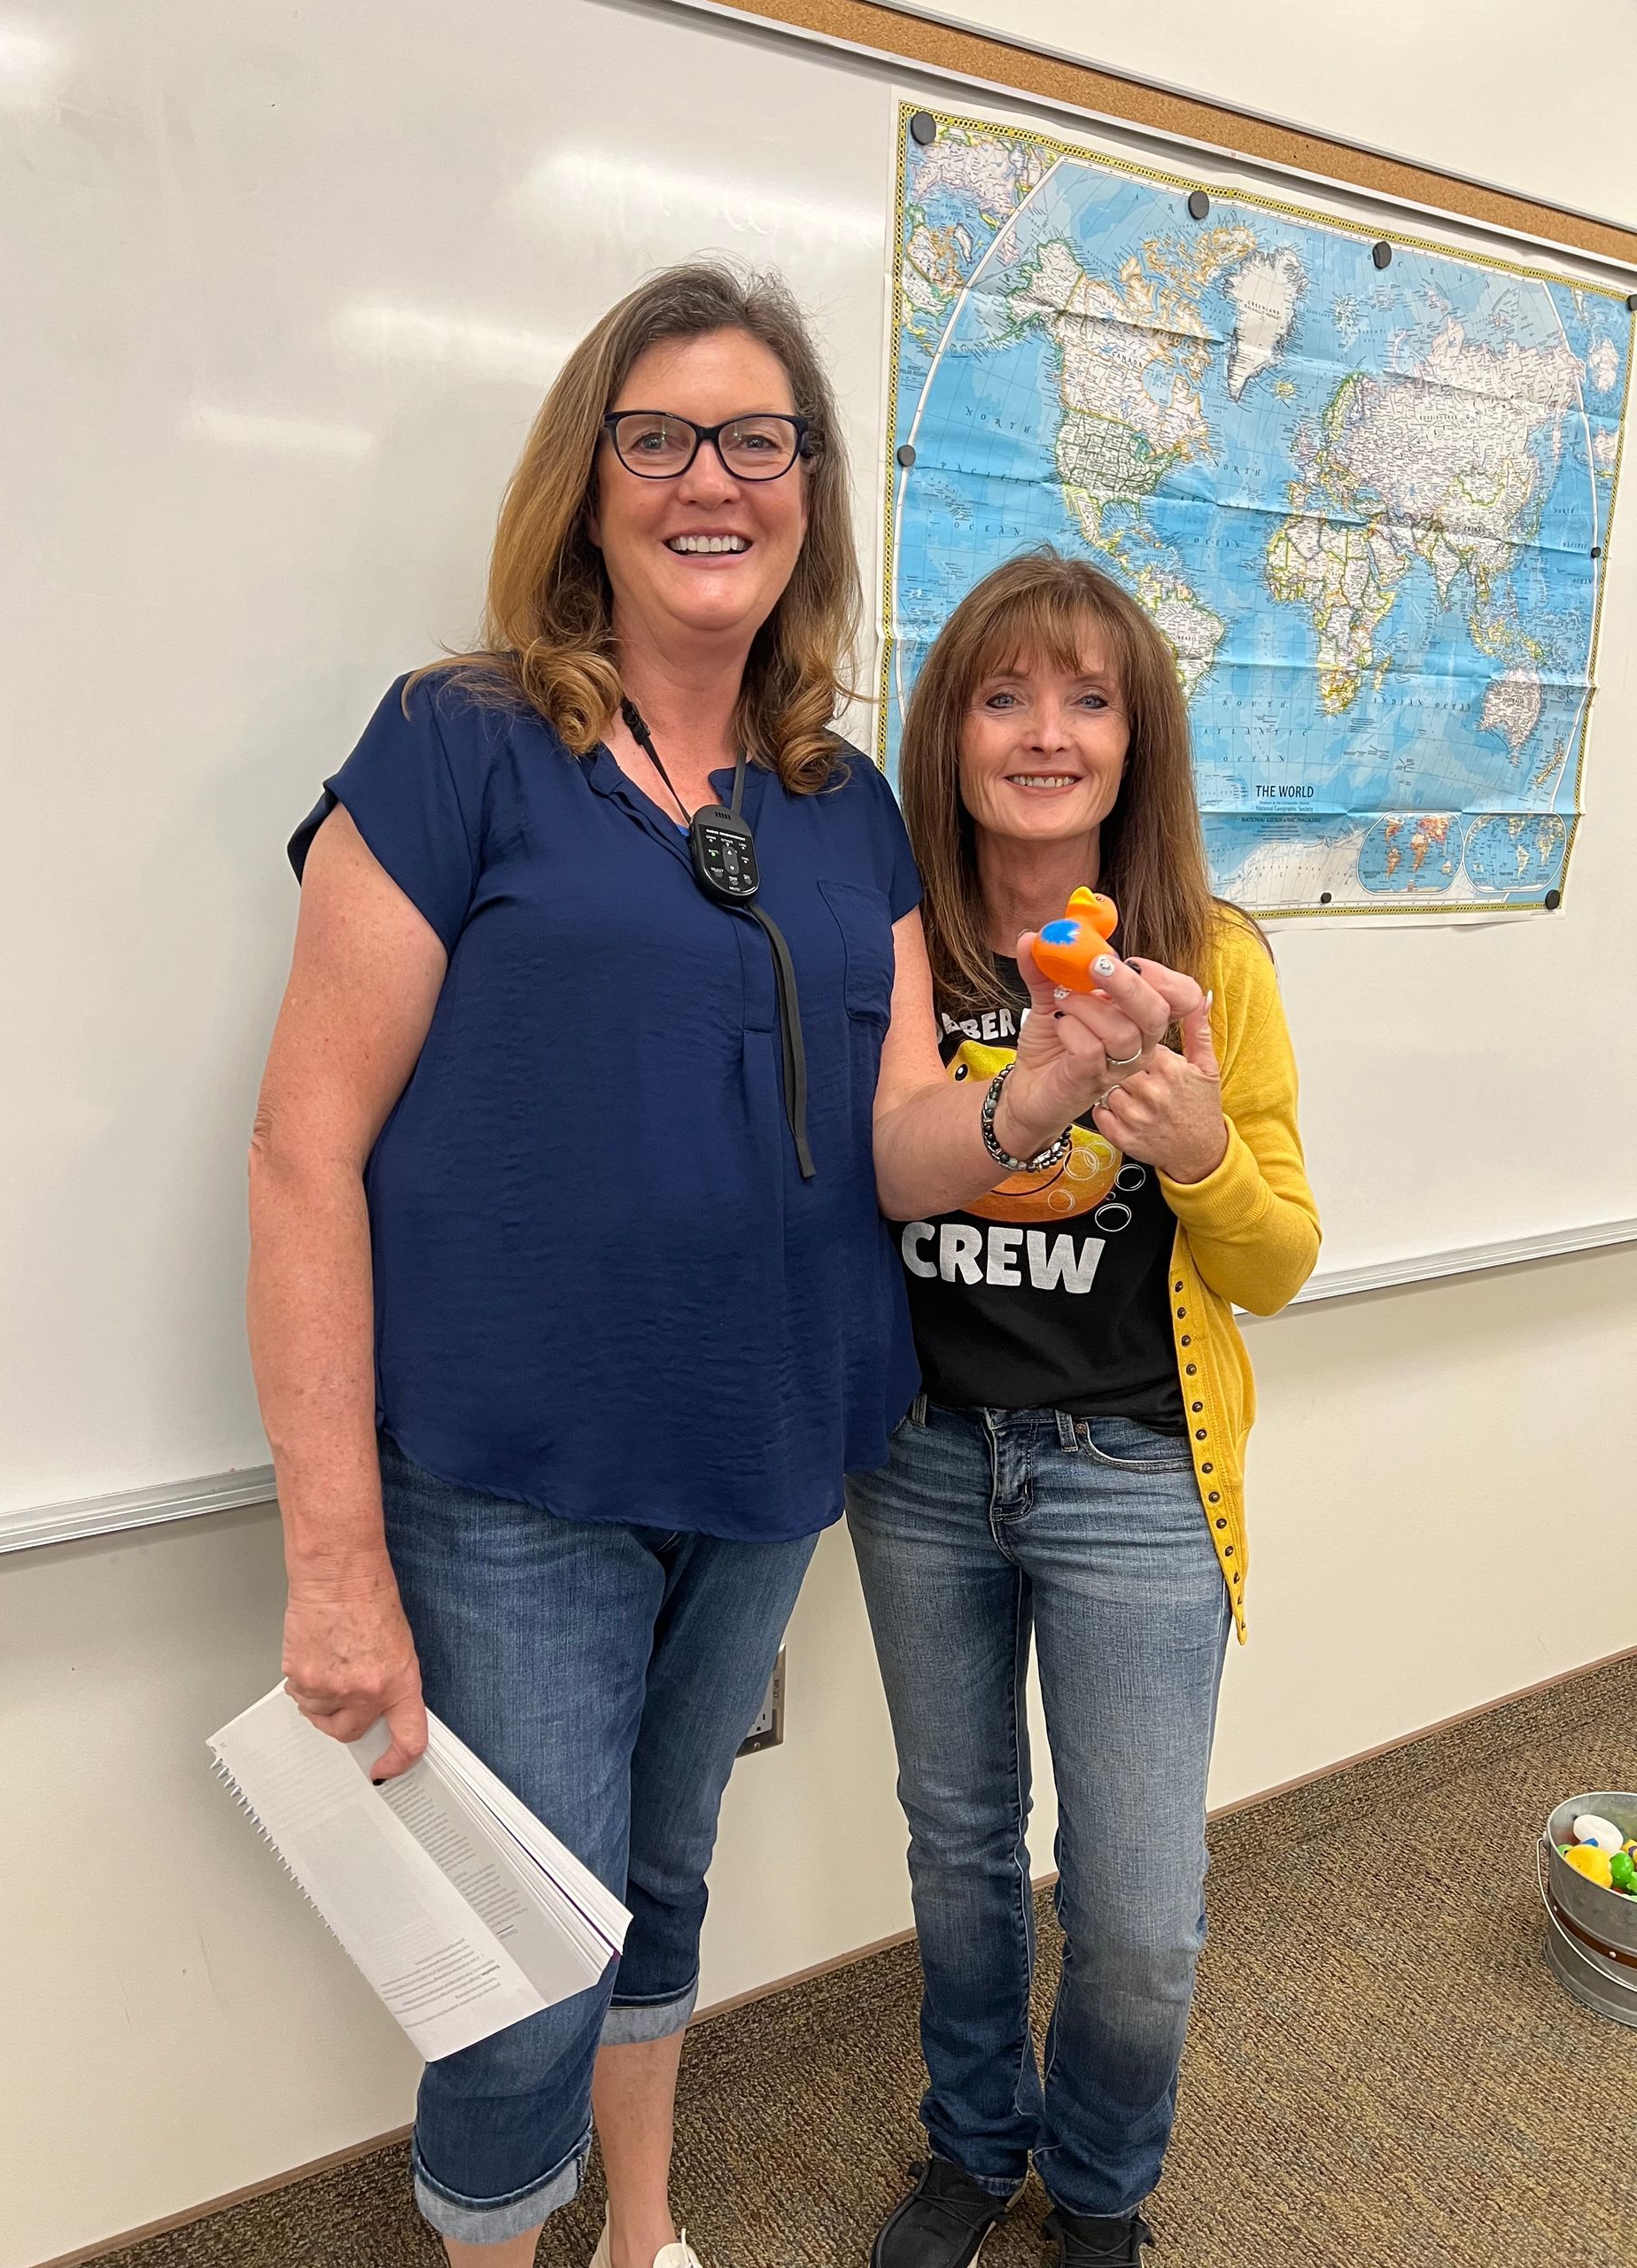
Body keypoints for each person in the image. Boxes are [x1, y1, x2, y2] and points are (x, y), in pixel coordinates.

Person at [246, 270, 1200, 2268]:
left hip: (768, 1455)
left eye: (757, 440)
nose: (711, 479)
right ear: (588, 484)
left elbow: (894, 1142)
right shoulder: (459, 743)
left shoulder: (844, 802)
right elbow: (301, 1146)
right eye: (659, 436)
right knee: (520, 1963)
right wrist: (333, 1551)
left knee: (659, 1880)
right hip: (514, 1480)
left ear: (810, 494)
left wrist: (1037, 1090)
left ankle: (647, 2228)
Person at [850, 551, 1320, 2268]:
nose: (1045, 734)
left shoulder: (1215, 960)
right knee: (960, 1841)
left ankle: (1102, 2183)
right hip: (918, 1461)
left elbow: (1276, 1259)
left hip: (1133, 1472)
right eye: (1003, 693)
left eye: (1090, 698)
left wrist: (1196, 1152)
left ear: (1139, 739)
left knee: (1136, 1909)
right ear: (950, 724)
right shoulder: (887, 936)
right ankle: (973, 2144)